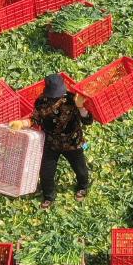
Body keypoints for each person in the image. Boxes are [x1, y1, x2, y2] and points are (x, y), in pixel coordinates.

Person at [29, 75, 91, 204]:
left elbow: (87, 121)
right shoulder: (41, 102)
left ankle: (83, 187)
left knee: (80, 169)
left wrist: (80, 107)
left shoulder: (72, 99)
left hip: (72, 142)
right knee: (46, 172)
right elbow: (35, 118)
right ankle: (48, 196)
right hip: (51, 142)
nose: (57, 97)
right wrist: (24, 123)